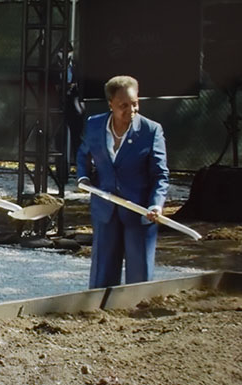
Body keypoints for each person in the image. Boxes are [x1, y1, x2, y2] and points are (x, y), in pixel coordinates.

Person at [76, 75, 169, 289]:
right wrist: (83, 177)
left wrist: (156, 204)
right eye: (123, 105)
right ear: (111, 104)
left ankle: (137, 316)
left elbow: (160, 175)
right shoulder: (94, 124)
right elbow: (83, 154)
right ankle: (99, 314)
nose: (131, 110)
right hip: (105, 210)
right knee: (102, 274)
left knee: (139, 276)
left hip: (139, 211)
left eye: (135, 103)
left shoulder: (151, 130)